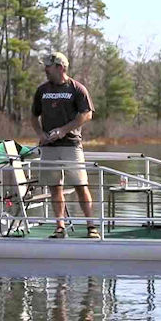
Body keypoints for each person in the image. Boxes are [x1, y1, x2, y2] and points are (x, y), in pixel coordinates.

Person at [31, 52, 99, 239]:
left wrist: (63, 130)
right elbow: (33, 116)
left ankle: (91, 226)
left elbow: (86, 114)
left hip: (71, 146)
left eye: (48, 66)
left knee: (80, 185)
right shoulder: (42, 90)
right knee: (55, 187)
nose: (45, 69)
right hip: (49, 148)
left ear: (60, 67)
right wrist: (41, 134)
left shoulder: (77, 89)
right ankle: (59, 227)